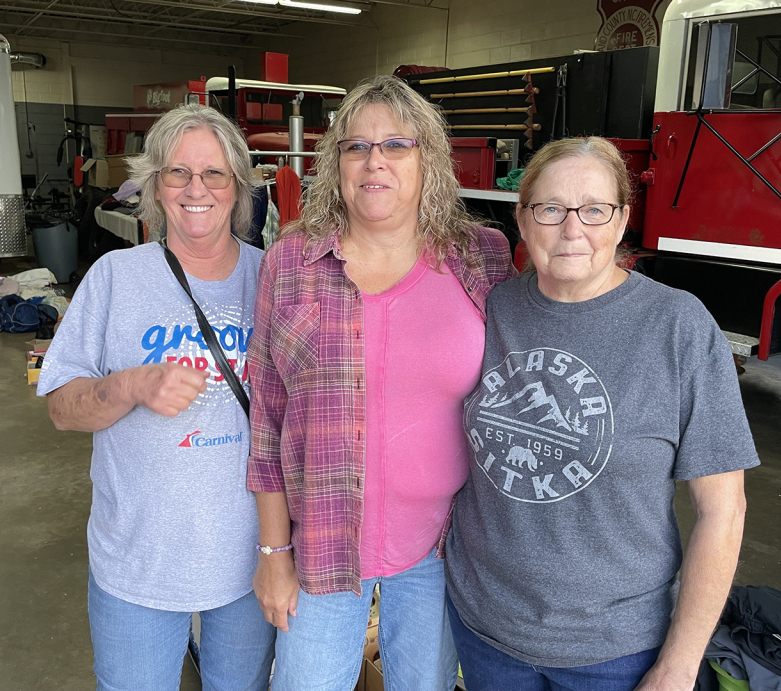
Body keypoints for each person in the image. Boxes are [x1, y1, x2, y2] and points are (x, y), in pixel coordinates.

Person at [444, 136, 761, 691]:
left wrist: (680, 664)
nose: (572, 229)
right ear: (522, 219)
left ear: (621, 220)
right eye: (550, 209)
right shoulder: (489, 308)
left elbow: (723, 512)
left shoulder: (678, 327)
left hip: (618, 651)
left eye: (594, 209)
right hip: (485, 630)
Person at [246, 74, 515, 691]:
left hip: (445, 548)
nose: (375, 162)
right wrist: (272, 554)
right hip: (321, 544)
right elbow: (266, 416)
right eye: (356, 146)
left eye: (397, 145)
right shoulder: (293, 261)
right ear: (334, 162)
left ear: (430, 160)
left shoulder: (482, 257)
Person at [37, 104, 276, 691]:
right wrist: (130, 384)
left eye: (215, 174)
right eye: (177, 173)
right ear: (153, 185)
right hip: (137, 563)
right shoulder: (115, 276)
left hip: (249, 562)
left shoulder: (273, 279)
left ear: (239, 188)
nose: (197, 189)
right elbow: (61, 409)